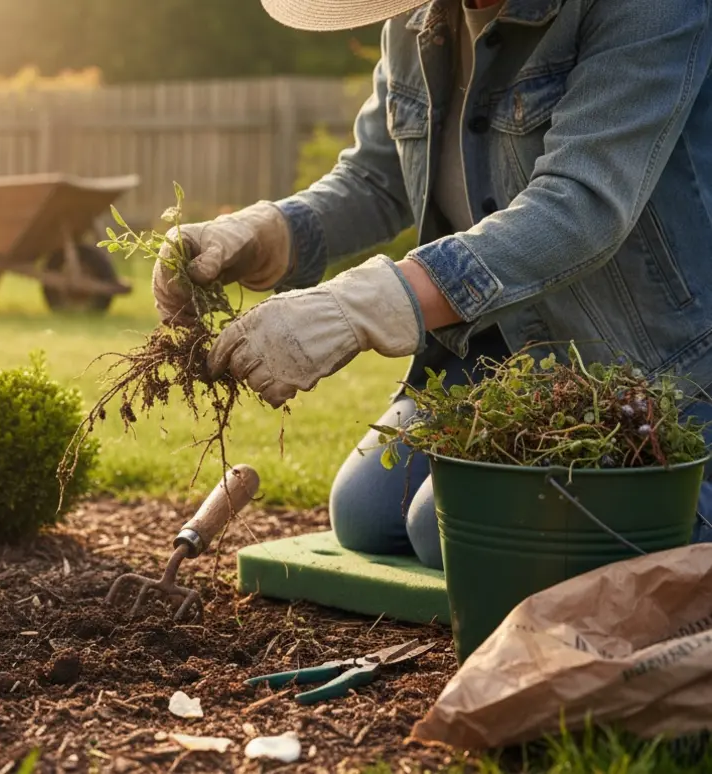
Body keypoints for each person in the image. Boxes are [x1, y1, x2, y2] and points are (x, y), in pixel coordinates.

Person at [153, 0, 712, 569]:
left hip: (638, 359)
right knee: (369, 513)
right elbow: (376, 177)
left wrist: (368, 304)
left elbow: (580, 207)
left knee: (442, 525)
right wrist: (267, 232)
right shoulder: (415, 16)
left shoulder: (649, 9)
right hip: (495, 349)